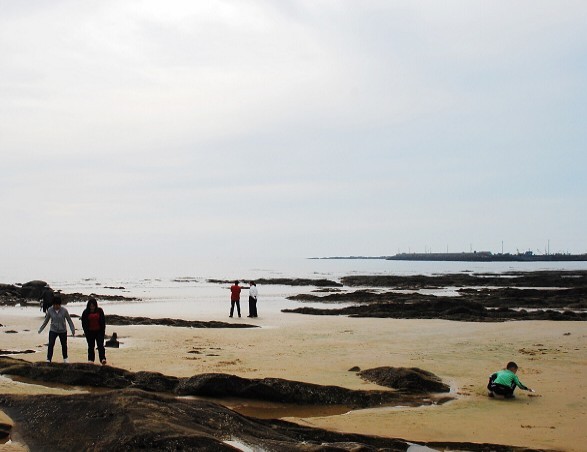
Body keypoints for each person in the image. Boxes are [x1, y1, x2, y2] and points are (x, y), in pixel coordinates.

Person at [38, 296, 75, 363]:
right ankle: (48, 359)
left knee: (64, 345)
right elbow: (46, 321)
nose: (56, 306)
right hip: (53, 330)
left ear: (60, 304)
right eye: (54, 305)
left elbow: (69, 320)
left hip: (63, 330)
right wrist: (41, 329)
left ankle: (65, 359)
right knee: (51, 344)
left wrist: (72, 330)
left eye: (57, 305)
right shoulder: (50, 310)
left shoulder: (64, 310)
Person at [81, 298, 107, 365]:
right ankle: (91, 360)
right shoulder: (85, 312)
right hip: (90, 332)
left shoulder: (100, 311)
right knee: (91, 346)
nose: (92, 307)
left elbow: (103, 321)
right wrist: (86, 331)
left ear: (95, 306)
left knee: (100, 345)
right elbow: (83, 323)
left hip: (99, 331)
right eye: (91, 306)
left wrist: (103, 331)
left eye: (93, 306)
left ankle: (102, 359)